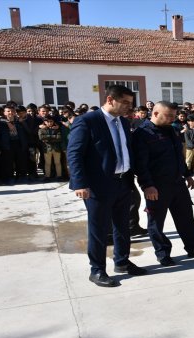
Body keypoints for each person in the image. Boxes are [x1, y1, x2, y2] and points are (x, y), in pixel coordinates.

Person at [67, 85, 147, 287]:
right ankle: (97, 270)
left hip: (123, 182)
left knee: (123, 227)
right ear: (110, 100)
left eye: (131, 103)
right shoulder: (87, 121)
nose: (129, 107)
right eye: (126, 103)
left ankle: (121, 262)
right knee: (99, 230)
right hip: (98, 186)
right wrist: (80, 183)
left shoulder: (123, 121)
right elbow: (74, 153)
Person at [132, 101, 194, 266]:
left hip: (177, 183)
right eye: (168, 116)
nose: (172, 119)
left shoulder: (172, 130)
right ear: (155, 113)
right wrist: (147, 185)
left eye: (173, 116)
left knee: (186, 219)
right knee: (156, 223)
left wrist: (187, 174)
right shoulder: (142, 134)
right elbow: (140, 164)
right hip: (156, 186)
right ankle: (163, 253)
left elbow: (178, 155)